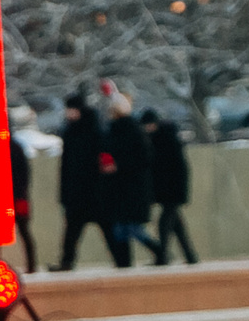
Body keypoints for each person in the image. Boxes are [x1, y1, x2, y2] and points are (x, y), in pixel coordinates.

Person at [97, 92, 152, 268]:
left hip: (129, 186)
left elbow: (142, 158)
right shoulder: (119, 130)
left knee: (128, 228)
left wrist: (118, 165)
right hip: (122, 186)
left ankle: (129, 260)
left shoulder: (129, 130)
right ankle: (124, 262)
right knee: (122, 228)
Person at [141, 109, 198, 264]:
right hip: (170, 189)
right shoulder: (162, 138)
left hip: (172, 189)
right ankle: (190, 256)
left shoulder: (164, 140)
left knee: (164, 222)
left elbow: (169, 167)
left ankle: (163, 255)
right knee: (177, 225)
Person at [56, 93, 103, 271]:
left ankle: (67, 261)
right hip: (80, 191)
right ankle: (66, 261)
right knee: (73, 230)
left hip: (88, 189)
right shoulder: (76, 131)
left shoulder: (86, 131)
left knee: (102, 226)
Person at [6, 103, 39, 274]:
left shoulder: (14, 148)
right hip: (18, 196)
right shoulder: (16, 147)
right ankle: (31, 266)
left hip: (15, 197)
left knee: (22, 231)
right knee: (24, 231)